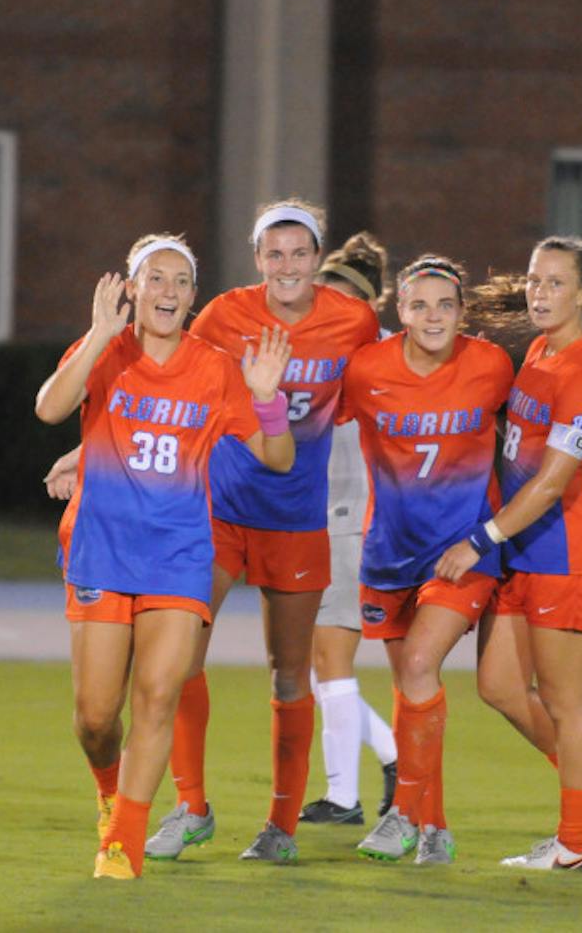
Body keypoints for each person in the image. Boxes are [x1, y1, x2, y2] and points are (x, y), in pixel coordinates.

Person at [33, 233, 294, 879]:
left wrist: (266, 395)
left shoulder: (214, 367)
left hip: (179, 557)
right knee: (97, 716)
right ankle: (107, 790)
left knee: (156, 695)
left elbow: (278, 456)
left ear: (192, 295)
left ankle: (122, 840)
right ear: (132, 288)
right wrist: (96, 335)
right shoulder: (106, 352)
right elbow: (49, 408)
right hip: (101, 552)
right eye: (156, 278)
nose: (168, 290)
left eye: (180, 280)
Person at [146, 200, 380, 864]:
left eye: (299, 253)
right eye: (274, 254)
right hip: (218, 508)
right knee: (181, 657)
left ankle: (280, 825)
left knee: (288, 674)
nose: (287, 266)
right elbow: (178, 382)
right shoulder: (223, 314)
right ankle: (191, 806)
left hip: (296, 517)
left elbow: (382, 393)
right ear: (258, 259)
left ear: (318, 258)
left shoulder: (352, 321)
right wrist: (91, 448)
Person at [450, 238, 582, 872]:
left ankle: (577, 844)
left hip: (568, 555)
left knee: (566, 701)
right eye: (534, 280)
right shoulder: (541, 351)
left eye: (555, 283)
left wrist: (481, 539)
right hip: (524, 549)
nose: (540, 293)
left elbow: (552, 481)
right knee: (497, 685)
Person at [346, 255, 515, 866]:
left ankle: (402, 815)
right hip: (390, 551)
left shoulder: (492, 365)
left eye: (446, 305)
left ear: (463, 312)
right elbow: (307, 417)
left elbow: (532, 431)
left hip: (462, 552)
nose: (434, 315)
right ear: (401, 312)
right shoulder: (365, 370)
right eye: (421, 305)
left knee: (419, 663)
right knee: (412, 687)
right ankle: (435, 828)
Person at [300, 233, 400, 825]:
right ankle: (393, 756)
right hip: (319, 516)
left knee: (331, 658)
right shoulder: (324, 347)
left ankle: (343, 797)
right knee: (315, 663)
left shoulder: (372, 354)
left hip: (351, 517)